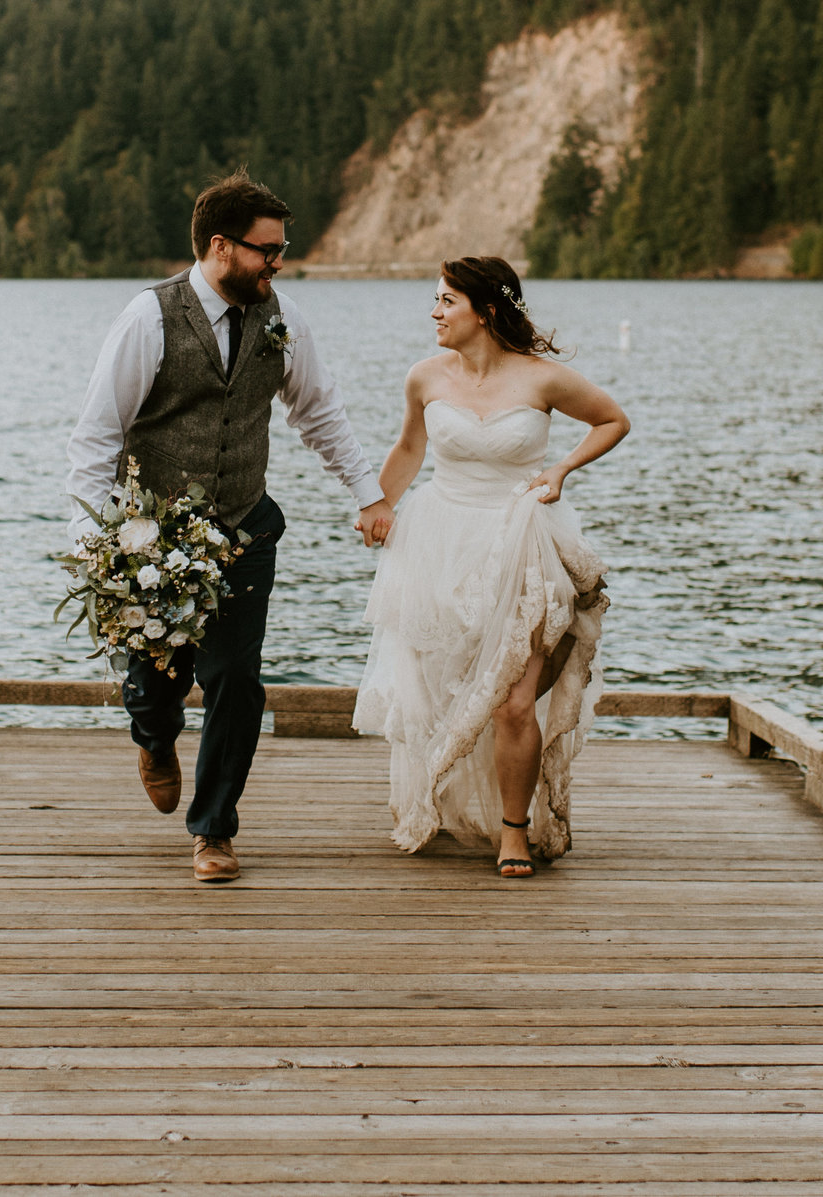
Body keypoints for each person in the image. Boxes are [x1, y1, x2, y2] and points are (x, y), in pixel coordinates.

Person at [66, 173, 393, 883]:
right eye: (267, 251)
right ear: (221, 244)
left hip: (247, 525)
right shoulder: (147, 319)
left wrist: (369, 492)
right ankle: (153, 737)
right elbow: (97, 438)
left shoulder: (284, 318)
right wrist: (94, 543)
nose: (279, 263)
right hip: (152, 538)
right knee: (156, 680)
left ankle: (213, 829)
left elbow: (319, 413)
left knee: (236, 679)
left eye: (281, 251)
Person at [353, 256, 629, 876]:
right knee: (442, 686)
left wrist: (560, 469)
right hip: (438, 541)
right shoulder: (425, 377)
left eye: (448, 300)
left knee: (512, 701)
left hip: (521, 543)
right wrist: (378, 504)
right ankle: (447, 799)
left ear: (487, 309)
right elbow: (409, 447)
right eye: (436, 299)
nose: (435, 312)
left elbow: (613, 420)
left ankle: (513, 832)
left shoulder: (543, 380)